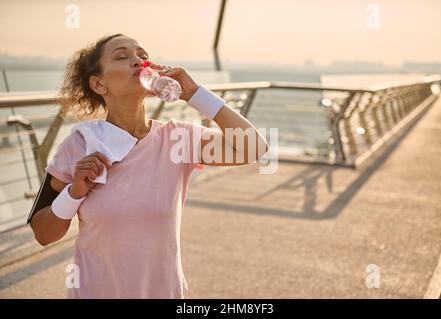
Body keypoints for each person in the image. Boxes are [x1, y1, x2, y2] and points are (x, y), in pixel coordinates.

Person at [28, 33, 268, 299]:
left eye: (143, 56)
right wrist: (73, 193)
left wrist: (196, 94)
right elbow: (43, 234)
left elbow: (254, 148)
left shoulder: (178, 138)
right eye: (122, 56)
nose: (138, 61)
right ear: (98, 84)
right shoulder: (79, 144)